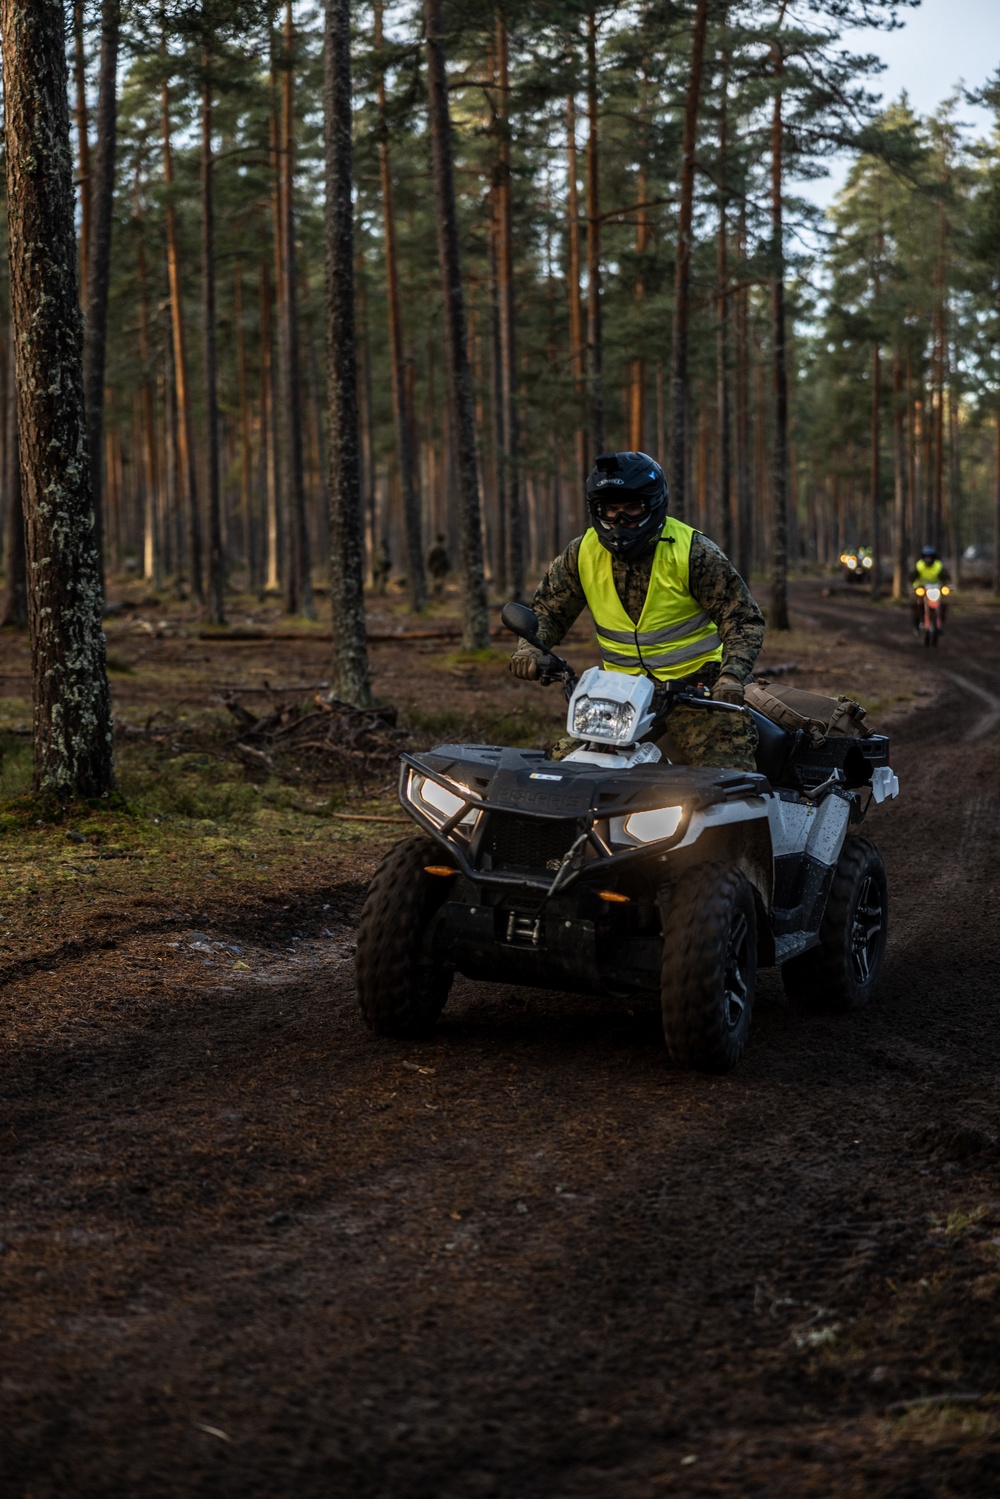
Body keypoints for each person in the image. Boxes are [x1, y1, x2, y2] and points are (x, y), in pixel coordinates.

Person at [509, 450, 765, 771]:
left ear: (653, 504)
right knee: (564, 766)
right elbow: (549, 611)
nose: (619, 521)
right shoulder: (581, 554)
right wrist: (530, 649)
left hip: (700, 694)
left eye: (632, 509)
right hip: (620, 699)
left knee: (726, 775)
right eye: (610, 510)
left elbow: (741, 617)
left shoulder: (692, 552)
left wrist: (731, 676)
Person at [910, 545, 950, 632]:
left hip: (936, 590)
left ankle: (941, 622)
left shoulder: (938, 565)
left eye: (930, 557)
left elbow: (945, 577)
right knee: (917, 604)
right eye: (926, 557)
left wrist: (945, 585)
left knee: (943, 604)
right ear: (923, 557)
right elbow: (912, 576)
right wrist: (914, 585)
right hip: (922, 589)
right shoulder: (919, 565)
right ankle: (917, 623)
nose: (928, 559)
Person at [426, 534, 451, 600]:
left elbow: (430, 559)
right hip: (441, 568)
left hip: (435, 567)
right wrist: (448, 567)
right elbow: (445, 559)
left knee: (435, 581)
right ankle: (438, 595)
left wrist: (429, 567)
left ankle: (436, 594)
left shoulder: (432, 548)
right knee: (440, 581)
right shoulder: (442, 548)